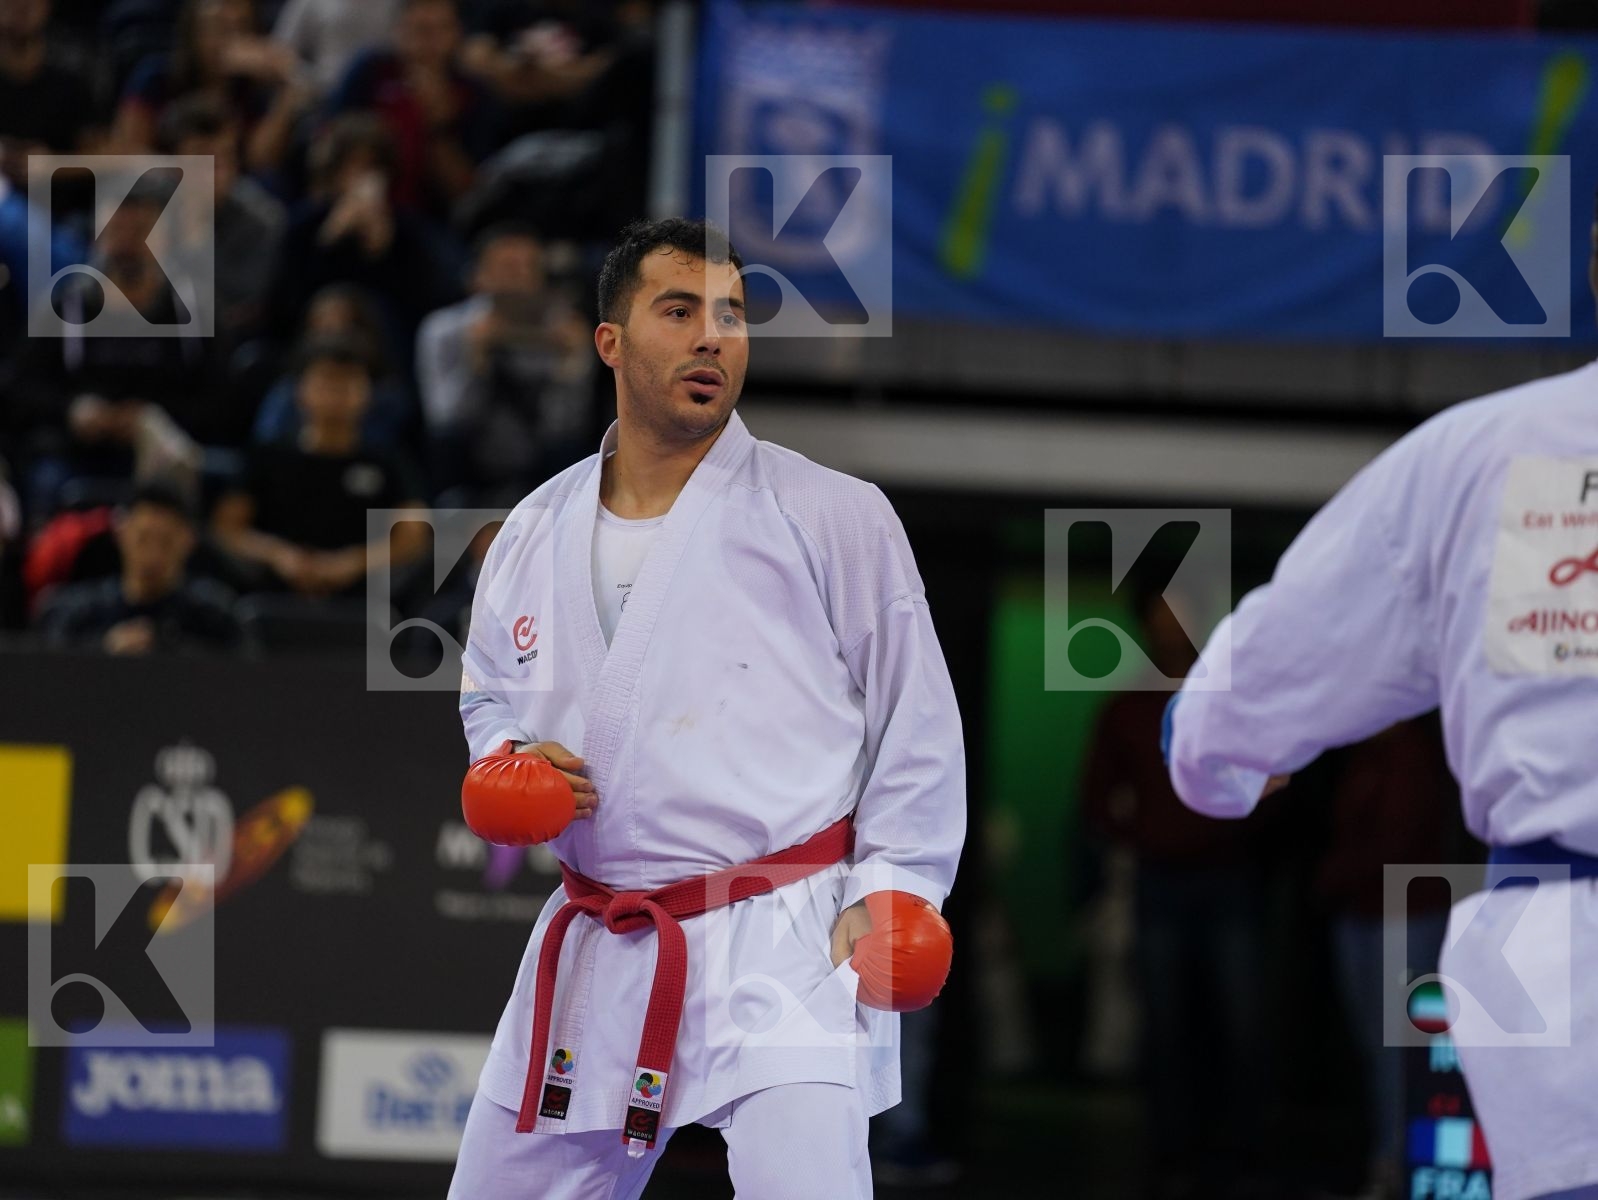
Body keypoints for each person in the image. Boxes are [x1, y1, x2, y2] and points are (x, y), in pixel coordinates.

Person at [446, 217, 966, 1199]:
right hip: (598, 932)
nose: (711, 337)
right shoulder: (531, 528)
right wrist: (506, 755)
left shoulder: (831, 514)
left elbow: (916, 720)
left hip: (785, 932)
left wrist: (900, 885)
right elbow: (489, 687)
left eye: (729, 315)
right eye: (677, 311)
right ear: (610, 341)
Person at [1164, 198, 1598, 1200]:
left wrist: (1207, 749)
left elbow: (1271, 672)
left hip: (1556, 986)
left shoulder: (1479, 456)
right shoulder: (1478, 456)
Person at [211, 335, 429, 597]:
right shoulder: (268, 456)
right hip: (274, 592)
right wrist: (277, 554)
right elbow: (228, 528)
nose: (337, 392)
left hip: (361, 597)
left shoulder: (387, 461)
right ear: (300, 389)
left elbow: (414, 536)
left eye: (349, 380)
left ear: (368, 392)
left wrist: (354, 562)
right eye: (327, 380)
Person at [416, 222, 592, 500]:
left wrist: (571, 370)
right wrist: (477, 361)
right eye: (509, 267)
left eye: (529, 267)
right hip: (469, 467)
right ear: (479, 275)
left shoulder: (564, 333)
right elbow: (445, 421)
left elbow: (565, 430)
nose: (520, 278)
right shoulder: (444, 330)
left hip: (537, 469)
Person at [37, 479, 242, 654]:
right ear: (122, 533)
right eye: (143, 539)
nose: (153, 555)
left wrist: (166, 647)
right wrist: (103, 648)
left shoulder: (214, 617)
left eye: (166, 542)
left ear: (188, 541)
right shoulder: (81, 612)